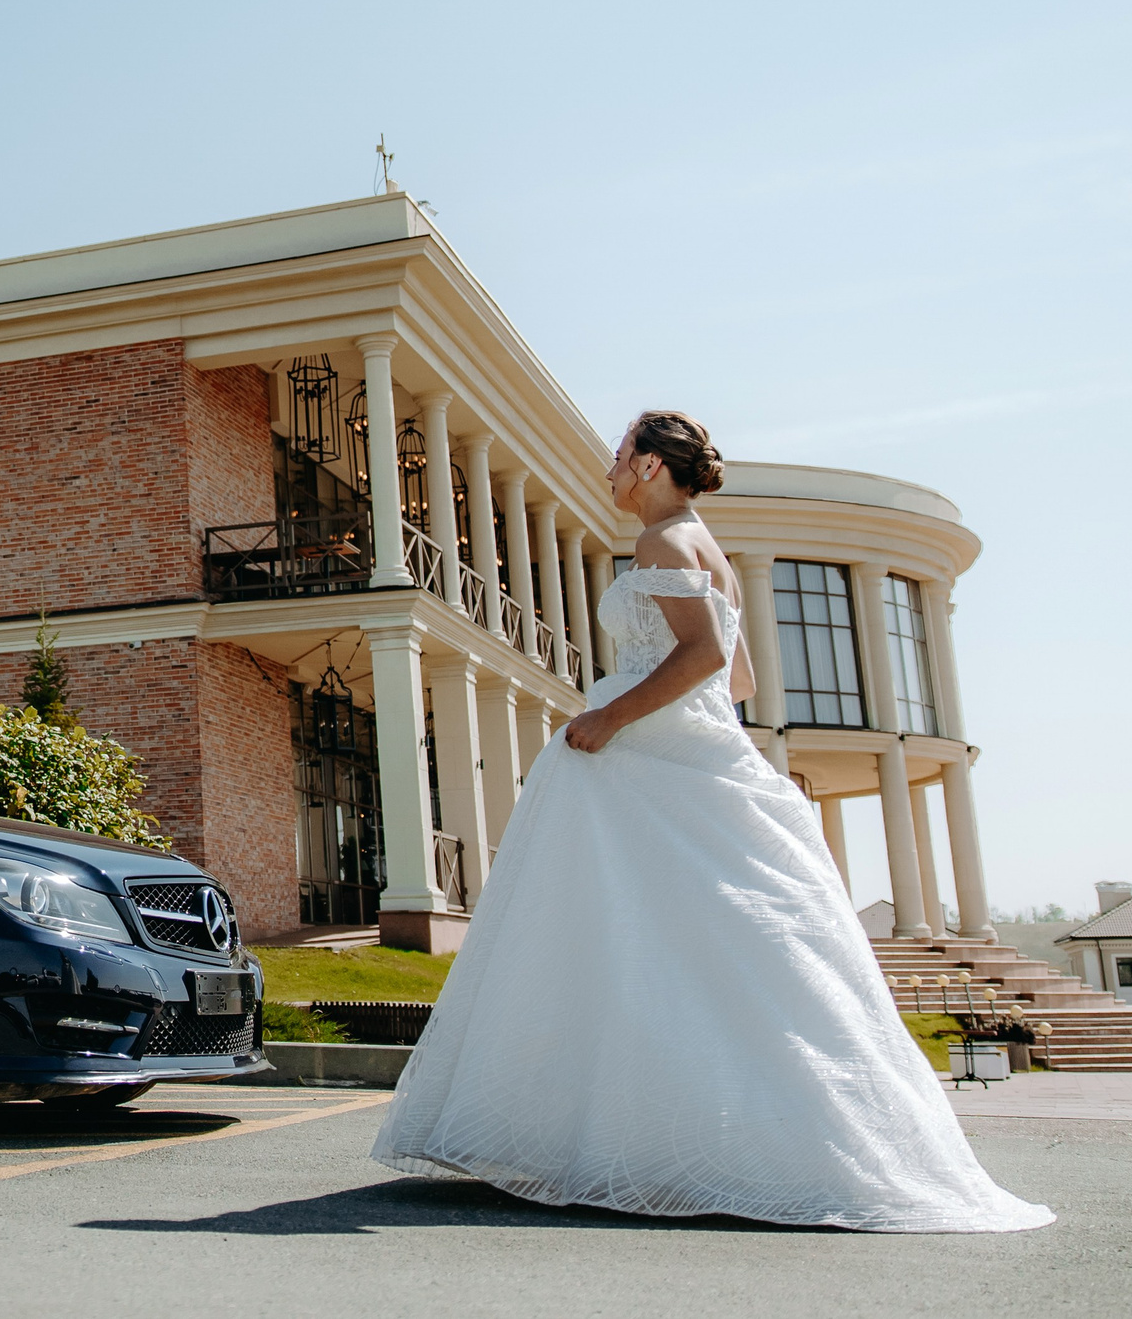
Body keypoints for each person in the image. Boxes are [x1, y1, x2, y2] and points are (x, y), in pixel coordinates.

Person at [371, 411, 1051, 1231]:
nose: (610, 472)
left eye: (619, 458)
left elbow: (699, 658)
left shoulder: (662, 545)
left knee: (623, 937)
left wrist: (611, 719)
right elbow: (740, 680)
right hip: (691, 758)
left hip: (647, 759)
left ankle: (630, 1138)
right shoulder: (710, 549)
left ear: (654, 466)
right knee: (685, 944)